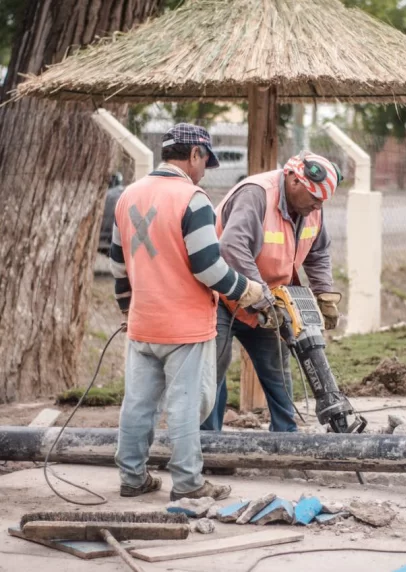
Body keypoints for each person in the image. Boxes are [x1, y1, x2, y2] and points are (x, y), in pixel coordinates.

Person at [110, 123, 264, 501]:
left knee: (137, 406)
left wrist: (129, 310)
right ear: (194, 155)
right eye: (203, 161)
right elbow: (208, 267)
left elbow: (118, 264)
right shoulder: (192, 199)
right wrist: (247, 290)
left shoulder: (128, 196)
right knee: (184, 407)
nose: (203, 170)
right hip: (184, 326)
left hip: (143, 323)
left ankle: (132, 479)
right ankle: (188, 483)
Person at [203, 151, 342, 433]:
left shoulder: (312, 207)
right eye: (314, 198)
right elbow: (232, 247)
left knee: (277, 368)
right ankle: (208, 444)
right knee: (214, 369)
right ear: (293, 180)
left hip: (268, 300)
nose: (317, 206)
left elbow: (318, 252)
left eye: (322, 202)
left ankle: (285, 438)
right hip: (221, 297)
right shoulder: (256, 195)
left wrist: (324, 293)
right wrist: (262, 296)